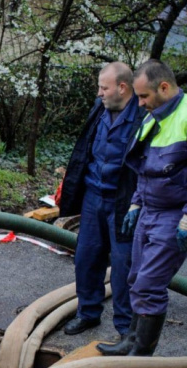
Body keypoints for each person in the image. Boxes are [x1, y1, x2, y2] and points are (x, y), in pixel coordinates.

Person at [106, 59, 187, 356]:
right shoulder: (153, 116)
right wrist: (136, 203)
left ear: (164, 87)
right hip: (149, 210)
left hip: (175, 214)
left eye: (144, 96)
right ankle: (131, 342)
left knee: (149, 285)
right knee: (135, 278)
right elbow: (144, 167)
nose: (140, 103)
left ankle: (141, 358)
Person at [58, 62, 144, 348]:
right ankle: (88, 313)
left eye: (104, 87)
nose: (99, 93)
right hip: (94, 197)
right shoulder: (101, 108)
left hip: (124, 201)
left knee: (123, 265)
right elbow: (85, 150)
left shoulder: (143, 115)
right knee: (86, 258)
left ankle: (125, 328)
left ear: (123, 87)